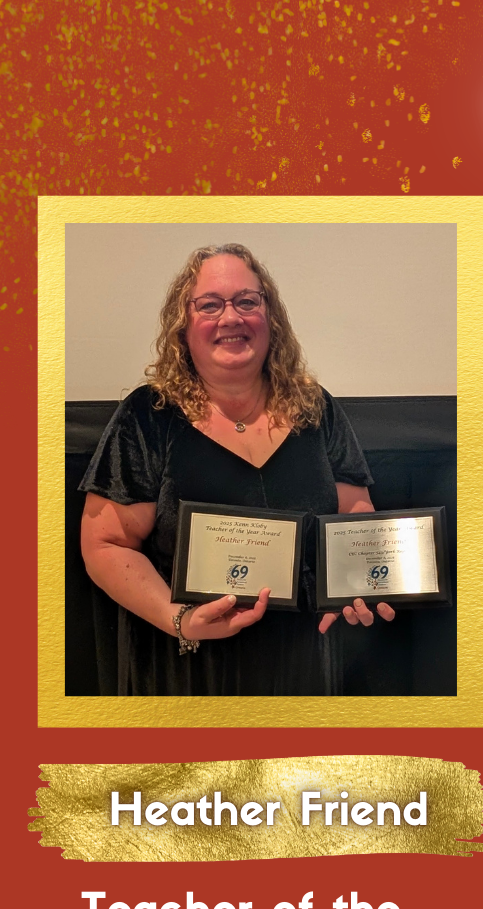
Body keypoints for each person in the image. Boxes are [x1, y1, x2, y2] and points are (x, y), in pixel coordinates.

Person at [78, 243, 395, 695]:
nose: (231, 317)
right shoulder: (148, 415)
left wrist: (359, 584)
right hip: (189, 665)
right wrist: (181, 620)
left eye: (247, 301)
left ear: (271, 317)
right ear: (183, 325)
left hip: (301, 659)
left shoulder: (315, 408)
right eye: (209, 305)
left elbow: (355, 516)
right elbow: (106, 543)